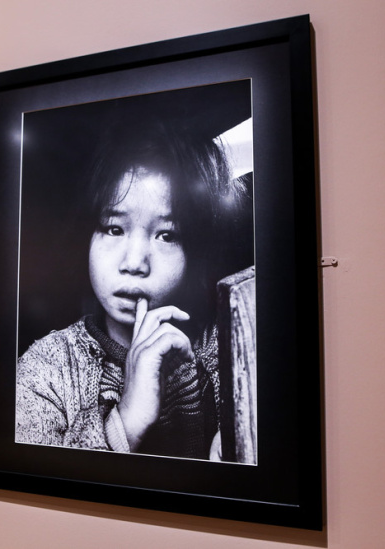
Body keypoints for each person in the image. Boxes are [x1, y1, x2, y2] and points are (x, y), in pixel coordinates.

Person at [14, 117, 251, 460]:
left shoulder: (233, 348)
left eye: (167, 235)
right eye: (114, 229)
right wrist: (126, 420)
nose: (135, 262)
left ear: (197, 251)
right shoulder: (45, 369)